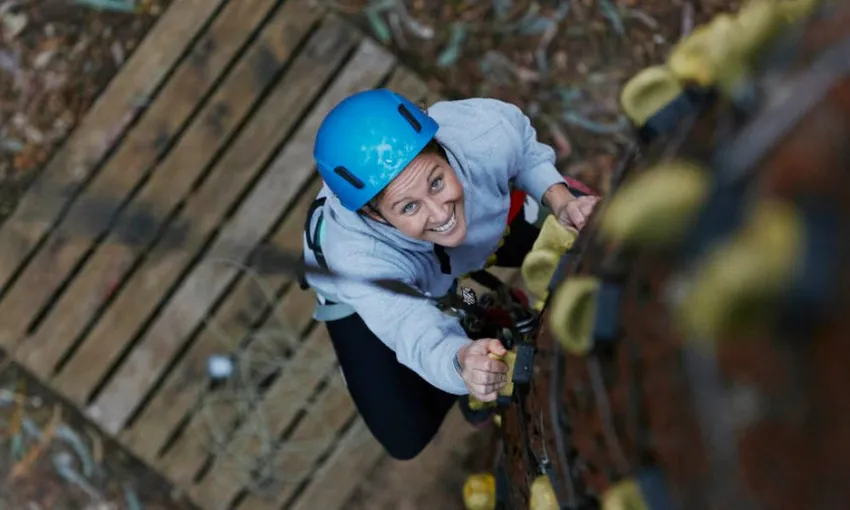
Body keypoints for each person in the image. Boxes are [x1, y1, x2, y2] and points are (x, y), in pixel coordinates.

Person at [300, 88, 599, 460]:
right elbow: (415, 333)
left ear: (441, 147)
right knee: (405, 436)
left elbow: (523, 149)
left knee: (585, 231)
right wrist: (460, 362)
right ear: (375, 216)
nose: (439, 213)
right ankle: (480, 328)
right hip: (380, 282)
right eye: (409, 205)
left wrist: (562, 200)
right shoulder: (359, 260)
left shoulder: (480, 132)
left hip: (476, 227)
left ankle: (480, 302)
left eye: (436, 181)